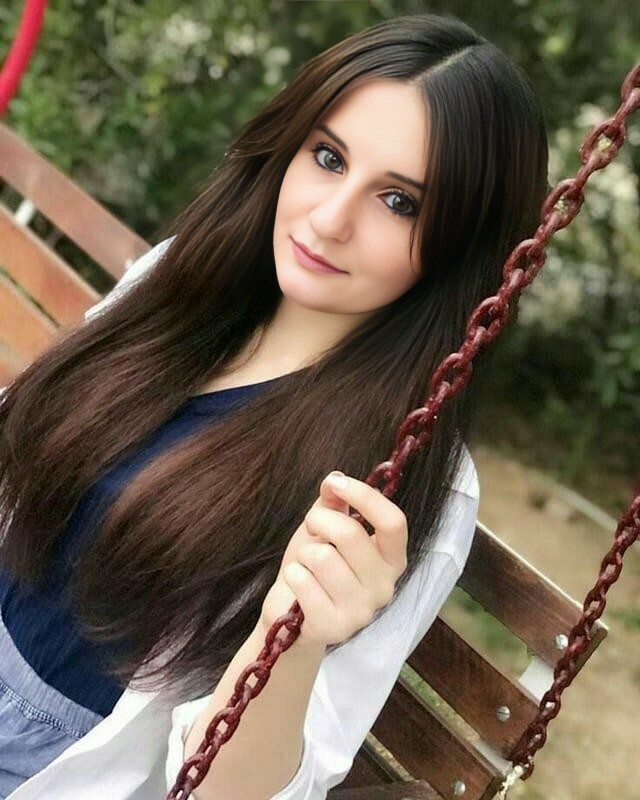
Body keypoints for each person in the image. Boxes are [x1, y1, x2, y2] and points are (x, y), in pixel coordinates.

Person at [0, 11, 549, 800]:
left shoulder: (402, 482)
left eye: (399, 202)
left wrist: (293, 644)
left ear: (460, 248)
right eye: (328, 157)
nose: (329, 219)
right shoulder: (183, 283)